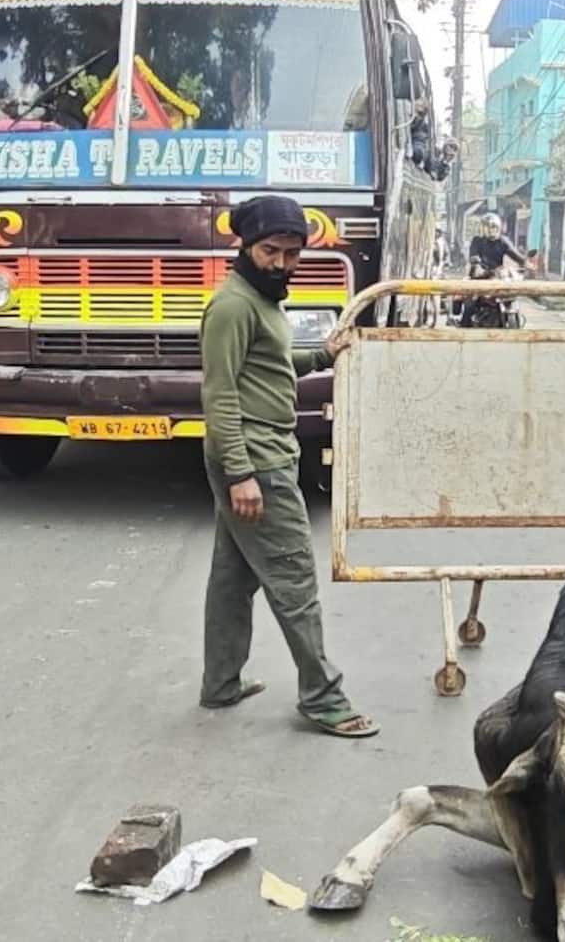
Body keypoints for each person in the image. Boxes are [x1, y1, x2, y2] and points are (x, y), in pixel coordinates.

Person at [199, 194, 377, 739]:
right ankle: (324, 698)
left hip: (258, 455)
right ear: (245, 246)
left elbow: (271, 364)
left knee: (233, 579)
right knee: (294, 580)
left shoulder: (261, 301)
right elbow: (220, 396)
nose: (281, 263)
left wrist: (322, 354)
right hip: (258, 460)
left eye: (292, 253)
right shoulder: (232, 307)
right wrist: (241, 475)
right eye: (270, 251)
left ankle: (220, 682)